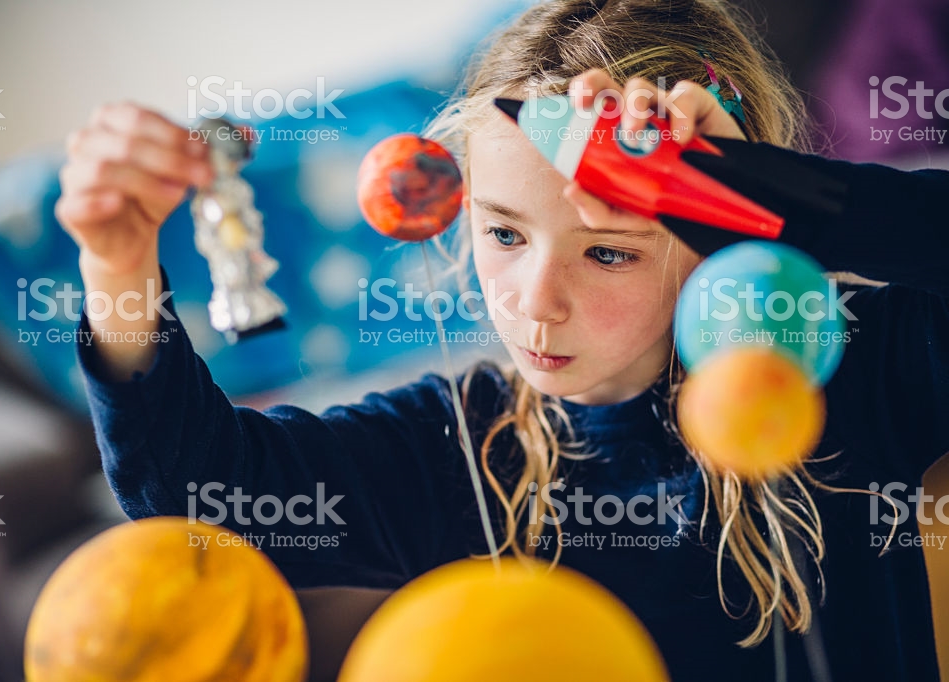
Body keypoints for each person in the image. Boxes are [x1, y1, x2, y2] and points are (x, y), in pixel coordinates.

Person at [55, 1, 949, 679]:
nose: (535, 303)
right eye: (506, 234)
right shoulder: (458, 450)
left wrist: (774, 192)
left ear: (723, 241)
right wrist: (116, 260)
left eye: (607, 252)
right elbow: (197, 498)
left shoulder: (852, 370)